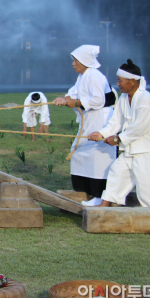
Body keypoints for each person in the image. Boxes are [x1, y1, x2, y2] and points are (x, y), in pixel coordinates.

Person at [87, 59, 150, 207]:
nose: (117, 84)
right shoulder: (124, 98)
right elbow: (116, 121)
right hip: (133, 145)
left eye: (120, 81)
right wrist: (101, 134)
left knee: (147, 185)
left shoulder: (145, 100)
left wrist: (118, 139)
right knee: (116, 172)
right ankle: (104, 206)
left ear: (132, 81)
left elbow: (139, 128)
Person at [53, 45, 116, 206]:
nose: (73, 64)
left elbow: (99, 100)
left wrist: (76, 102)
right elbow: (73, 93)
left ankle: (99, 196)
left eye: (75, 61)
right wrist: (63, 99)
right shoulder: (83, 76)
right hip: (89, 118)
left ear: (85, 61)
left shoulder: (95, 76)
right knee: (80, 153)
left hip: (101, 120)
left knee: (98, 157)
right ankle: (86, 191)